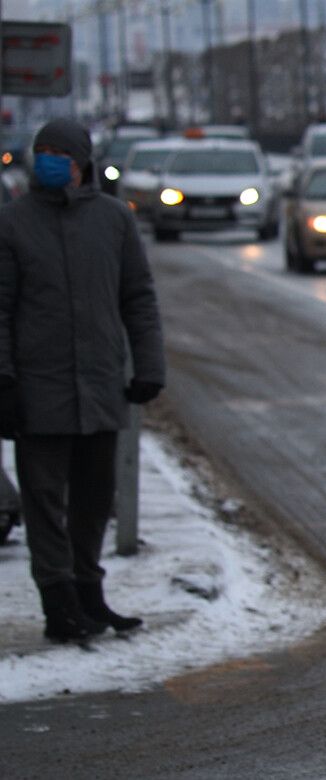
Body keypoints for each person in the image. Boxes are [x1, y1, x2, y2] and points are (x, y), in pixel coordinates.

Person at [0, 118, 166, 643]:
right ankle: (59, 604)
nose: (47, 160)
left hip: (98, 386)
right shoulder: (12, 224)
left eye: (58, 153)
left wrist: (149, 367)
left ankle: (89, 594)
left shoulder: (114, 220)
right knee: (44, 499)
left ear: (81, 162)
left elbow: (138, 299)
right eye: (40, 151)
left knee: (95, 498)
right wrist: (3, 382)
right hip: (37, 388)